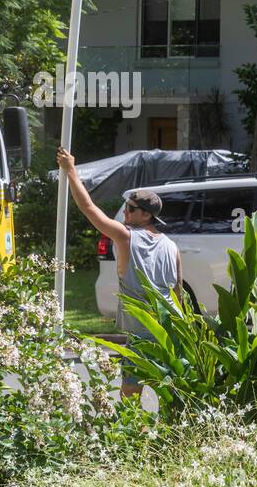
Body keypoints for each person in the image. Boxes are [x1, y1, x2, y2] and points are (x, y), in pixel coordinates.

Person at [57, 147, 182, 395]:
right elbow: (178, 293)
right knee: (168, 395)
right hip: (169, 332)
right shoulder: (172, 246)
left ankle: (137, 434)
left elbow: (89, 209)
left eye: (130, 208)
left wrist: (71, 170)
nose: (125, 211)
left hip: (143, 334)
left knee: (130, 396)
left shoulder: (125, 237)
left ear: (146, 215)